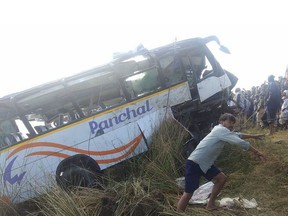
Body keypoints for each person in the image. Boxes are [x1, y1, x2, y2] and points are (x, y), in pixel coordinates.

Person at [176, 113, 266, 212]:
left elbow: (238, 135)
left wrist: (253, 136)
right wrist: (257, 152)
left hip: (205, 163)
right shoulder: (220, 130)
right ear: (221, 122)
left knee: (221, 178)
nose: (232, 125)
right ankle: (178, 213)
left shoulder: (221, 131)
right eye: (229, 122)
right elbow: (239, 142)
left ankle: (210, 205)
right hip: (195, 163)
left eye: (233, 123)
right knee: (188, 193)